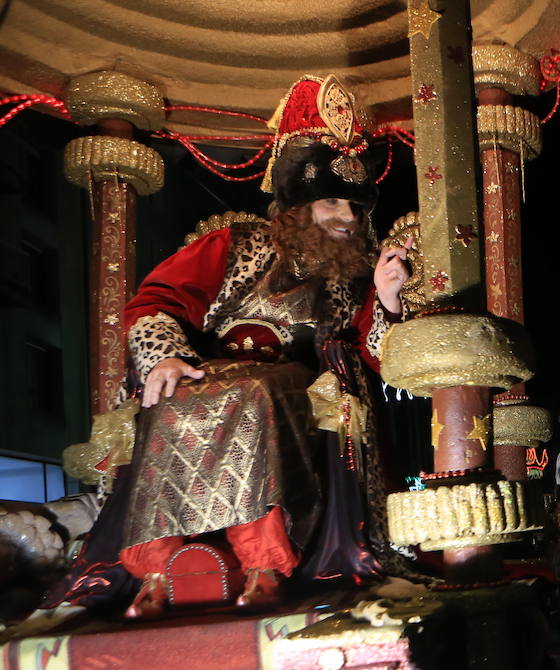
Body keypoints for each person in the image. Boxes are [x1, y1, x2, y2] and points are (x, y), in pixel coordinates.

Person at [48, 75, 411, 617]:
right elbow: (156, 301)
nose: (347, 218)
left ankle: (263, 561)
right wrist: (165, 355)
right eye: (333, 201)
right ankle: (156, 568)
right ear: (297, 205)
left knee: (253, 394)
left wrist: (385, 301)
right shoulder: (236, 242)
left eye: (356, 209)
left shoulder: (356, 277)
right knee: (170, 399)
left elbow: (375, 357)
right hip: (206, 369)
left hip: (291, 384)